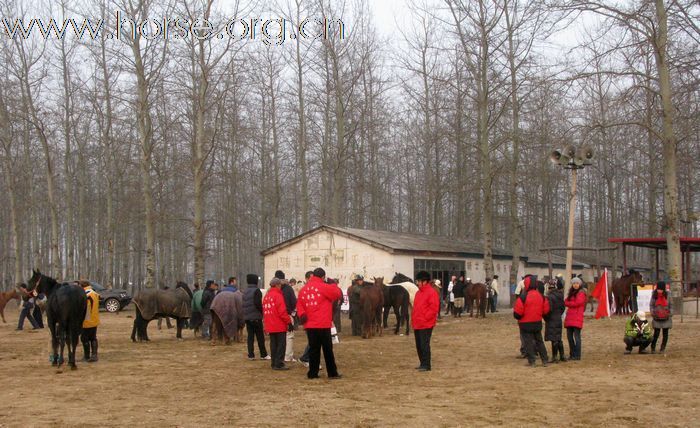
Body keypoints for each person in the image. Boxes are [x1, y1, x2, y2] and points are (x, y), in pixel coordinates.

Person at [296, 267, 342, 379]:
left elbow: (299, 304)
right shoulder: (324, 287)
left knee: (313, 350)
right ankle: (332, 373)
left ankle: (313, 373)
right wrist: (332, 283)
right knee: (327, 350)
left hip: (310, 325)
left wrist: (302, 314)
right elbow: (337, 294)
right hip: (323, 323)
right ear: (323, 277)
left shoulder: (304, 289)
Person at [513, 275, 550, 367]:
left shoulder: (523, 297)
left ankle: (532, 361)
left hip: (525, 323)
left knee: (528, 342)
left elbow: (517, 313)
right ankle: (544, 360)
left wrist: (519, 317)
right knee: (539, 341)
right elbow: (546, 311)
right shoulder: (541, 296)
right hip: (537, 322)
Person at [412, 270, 439, 371]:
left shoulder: (431, 292)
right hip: (417, 323)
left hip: (426, 324)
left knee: (424, 344)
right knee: (418, 345)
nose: (417, 283)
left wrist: (425, 318)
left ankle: (427, 365)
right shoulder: (418, 293)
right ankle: (422, 363)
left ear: (425, 281)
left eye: (418, 281)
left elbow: (434, 308)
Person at [263, 278, 292, 370]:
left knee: (273, 344)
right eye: (280, 285)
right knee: (281, 345)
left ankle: (274, 363)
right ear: (277, 285)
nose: (280, 287)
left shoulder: (267, 296)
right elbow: (282, 312)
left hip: (270, 324)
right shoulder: (278, 296)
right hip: (279, 324)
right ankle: (279, 363)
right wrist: (289, 322)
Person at [242, 274, 269, 360]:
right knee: (260, 336)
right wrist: (262, 312)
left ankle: (251, 355)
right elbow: (258, 304)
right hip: (256, 317)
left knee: (250, 337)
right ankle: (263, 354)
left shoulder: (245, 291)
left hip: (247, 317)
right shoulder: (257, 291)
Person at [275, 270, 298, 363]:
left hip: (276, 316)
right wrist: (292, 312)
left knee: (277, 336)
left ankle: (278, 354)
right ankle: (288, 356)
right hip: (287, 314)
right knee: (289, 336)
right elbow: (293, 302)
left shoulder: (272, 288)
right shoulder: (288, 288)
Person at [544, 280, 566, 363]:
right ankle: (562, 356)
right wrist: (558, 314)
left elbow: (548, 309)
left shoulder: (549, 297)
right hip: (558, 318)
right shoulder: (560, 295)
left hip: (551, 319)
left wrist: (546, 318)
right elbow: (563, 307)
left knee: (554, 338)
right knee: (558, 337)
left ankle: (554, 357)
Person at [564, 277, 586, 360]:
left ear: (579, 284)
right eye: (574, 283)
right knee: (569, 337)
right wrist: (570, 303)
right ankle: (572, 354)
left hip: (577, 318)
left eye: (577, 283)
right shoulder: (571, 292)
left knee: (577, 337)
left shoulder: (581, 293)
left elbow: (578, 303)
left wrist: (569, 303)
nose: (575, 285)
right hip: (570, 318)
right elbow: (565, 301)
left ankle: (577, 355)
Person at [649, 281, 672, 354]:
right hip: (657, 317)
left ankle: (662, 348)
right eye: (658, 289)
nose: (659, 291)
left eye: (661, 289)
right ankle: (653, 347)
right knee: (656, 334)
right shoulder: (654, 295)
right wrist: (653, 313)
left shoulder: (668, 295)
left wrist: (669, 313)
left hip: (666, 317)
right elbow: (651, 305)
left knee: (665, 334)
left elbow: (671, 305)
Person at [80, 280, 100, 362]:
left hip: (86, 320)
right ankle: (94, 355)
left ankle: (87, 355)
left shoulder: (85, 294)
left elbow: (85, 308)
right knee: (93, 338)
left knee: (84, 338)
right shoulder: (94, 293)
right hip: (94, 318)